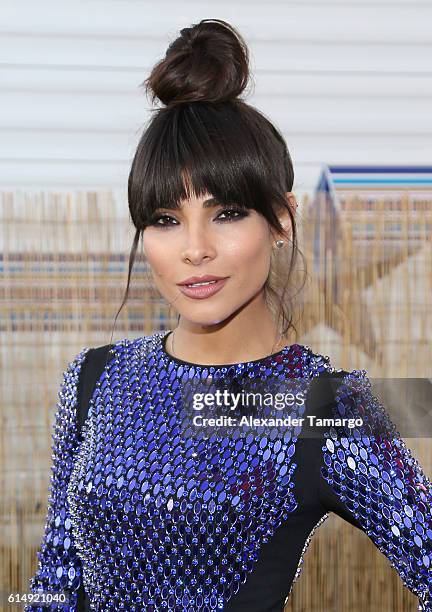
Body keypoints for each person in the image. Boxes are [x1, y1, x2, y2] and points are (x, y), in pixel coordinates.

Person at [25, 18, 432, 612]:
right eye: (165, 220)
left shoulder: (324, 406)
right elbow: (56, 585)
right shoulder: (92, 379)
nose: (194, 248)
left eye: (227, 212)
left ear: (282, 219)